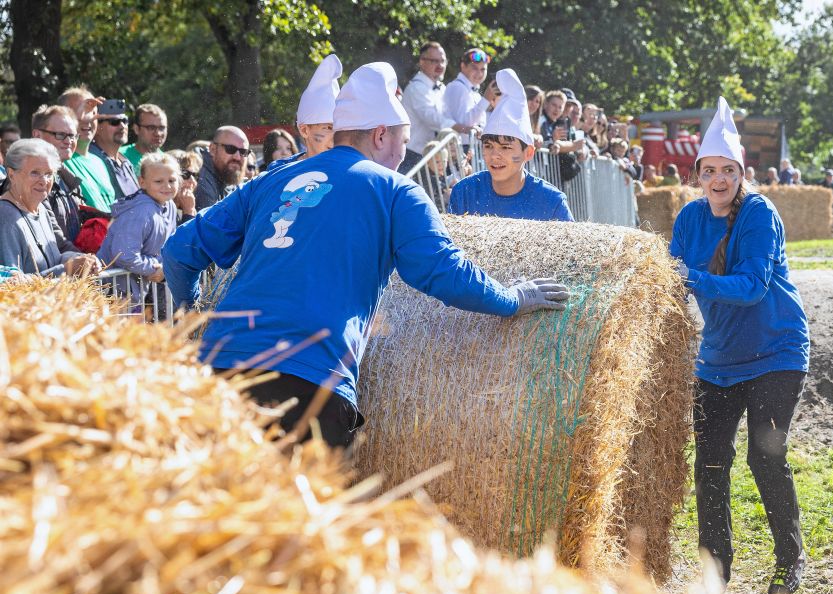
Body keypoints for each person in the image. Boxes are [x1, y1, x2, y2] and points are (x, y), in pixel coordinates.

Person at [162, 61, 569, 450]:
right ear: (380, 135)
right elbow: (444, 271)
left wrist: (190, 311)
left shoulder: (270, 180)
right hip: (309, 386)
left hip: (218, 372)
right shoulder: (396, 191)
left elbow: (179, 250)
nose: (402, 156)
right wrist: (512, 298)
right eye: (403, 143)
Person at [669, 97, 809, 594]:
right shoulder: (689, 219)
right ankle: (714, 572)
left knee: (764, 457)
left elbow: (751, 286)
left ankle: (790, 560)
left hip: (776, 352)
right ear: (697, 175)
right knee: (710, 462)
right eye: (709, 171)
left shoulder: (758, 213)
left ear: (741, 173)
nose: (719, 179)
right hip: (719, 359)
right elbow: (670, 282)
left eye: (728, 170)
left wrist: (692, 277)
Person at [448, 68, 572, 222]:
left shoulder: (552, 202)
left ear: (528, 152)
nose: (494, 156)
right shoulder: (464, 192)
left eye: (505, 147)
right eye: (488, 146)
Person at [0, 139, 99, 278]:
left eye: (49, 174)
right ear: (11, 175)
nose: (44, 181)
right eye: (35, 172)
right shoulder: (5, 217)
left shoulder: (41, 209)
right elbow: (12, 283)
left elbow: (53, 260)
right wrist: (66, 269)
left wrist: (80, 260)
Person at [97, 153, 179, 308]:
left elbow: (168, 246)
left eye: (172, 180)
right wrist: (155, 267)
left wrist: (164, 267)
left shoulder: (170, 206)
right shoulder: (141, 211)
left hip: (136, 288)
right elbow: (124, 255)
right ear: (142, 182)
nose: (167, 186)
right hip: (112, 290)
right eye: (158, 181)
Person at [398, 43, 467, 174]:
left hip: (434, 157)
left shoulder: (442, 88)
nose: (440, 65)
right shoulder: (416, 88)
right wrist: (462, 128)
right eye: (434, 61)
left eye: (443, 61)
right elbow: (432, 118)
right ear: (422, 62)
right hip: (412, 155)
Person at [23, 104, 85, 245]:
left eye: (73, 135)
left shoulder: (71, 182)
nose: (68, 141)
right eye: (60, 135)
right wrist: (80, 256)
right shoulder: (27, 179)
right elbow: (52, 239)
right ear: (37, 135)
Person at [58, 88, 118, 213]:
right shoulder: (58, 157)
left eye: (92, 113)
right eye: (80, 113)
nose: (88, 119)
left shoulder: (99, 161)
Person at [443, 48, 499, 148]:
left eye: (483, 69)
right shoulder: (457, 87)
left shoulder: (473, 91)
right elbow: (464, 124)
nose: (479, 73)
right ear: (463, 66)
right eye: (475, 68)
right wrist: (486, 99)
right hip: (461, 148)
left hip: (471, 147)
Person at [90, 99, 140, 199]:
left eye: (125, 121)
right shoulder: (92, 160)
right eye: (114, 122)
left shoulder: (125, 162)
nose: (122, 126)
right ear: (97, 127)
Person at [194, 126, 250, 210]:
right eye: (230, 149)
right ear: (213, 149)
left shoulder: (226, 176)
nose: (237, 157)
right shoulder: (200, 178)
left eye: (243, 152)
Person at [121, 103, 167, 174]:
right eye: (151, 128)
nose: (158, 133)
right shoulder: (119, 157)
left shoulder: (168, 163)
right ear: (136, 129)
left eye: (162, 128)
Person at [166, 149, 198, 223]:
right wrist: (189, 212)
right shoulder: (159, 209)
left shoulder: (181, 209)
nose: (193, 182)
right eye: (185, 174)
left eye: (195, 175)